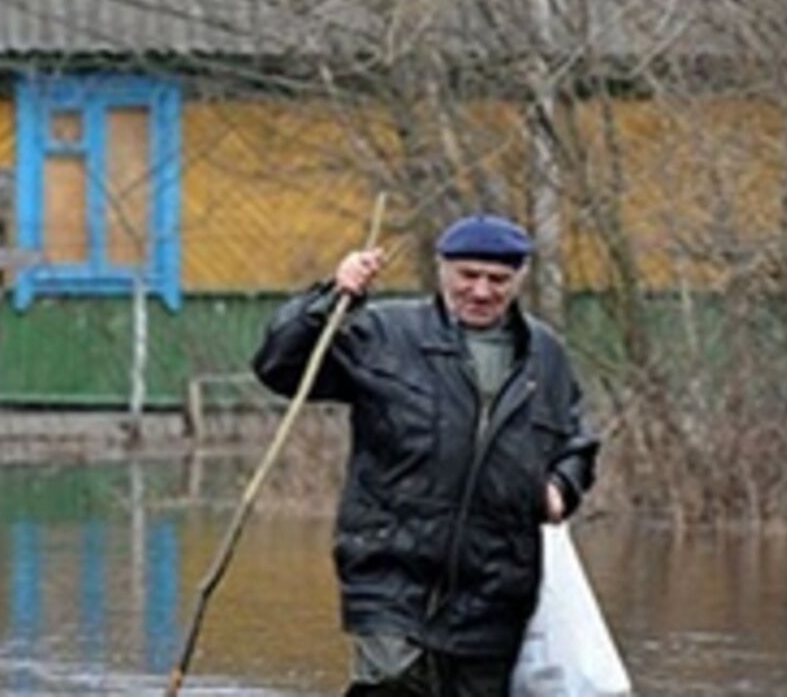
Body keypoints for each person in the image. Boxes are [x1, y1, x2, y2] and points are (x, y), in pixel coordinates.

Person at [252, 214, 600, 697]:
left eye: (497, 280)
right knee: (392, 682)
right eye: (468, 276)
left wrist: (561, 488)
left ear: (519, 280)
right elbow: (278, 367)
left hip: (497, 587)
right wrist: (331, 295)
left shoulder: (545, 355)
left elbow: (576, 440)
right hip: (389, 571)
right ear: (442, 271)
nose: (481, 291)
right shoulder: (385, 333)